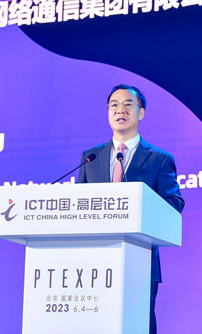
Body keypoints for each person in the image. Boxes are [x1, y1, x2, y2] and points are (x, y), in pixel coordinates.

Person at [77, 84, 184, 334]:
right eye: (114, 105)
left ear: (141, 112)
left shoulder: (159, 159)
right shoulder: (90, 157)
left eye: (128, 104)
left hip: (140, 260)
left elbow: (174, 204)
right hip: (94, 263)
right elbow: (79, 203)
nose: (120, 110)